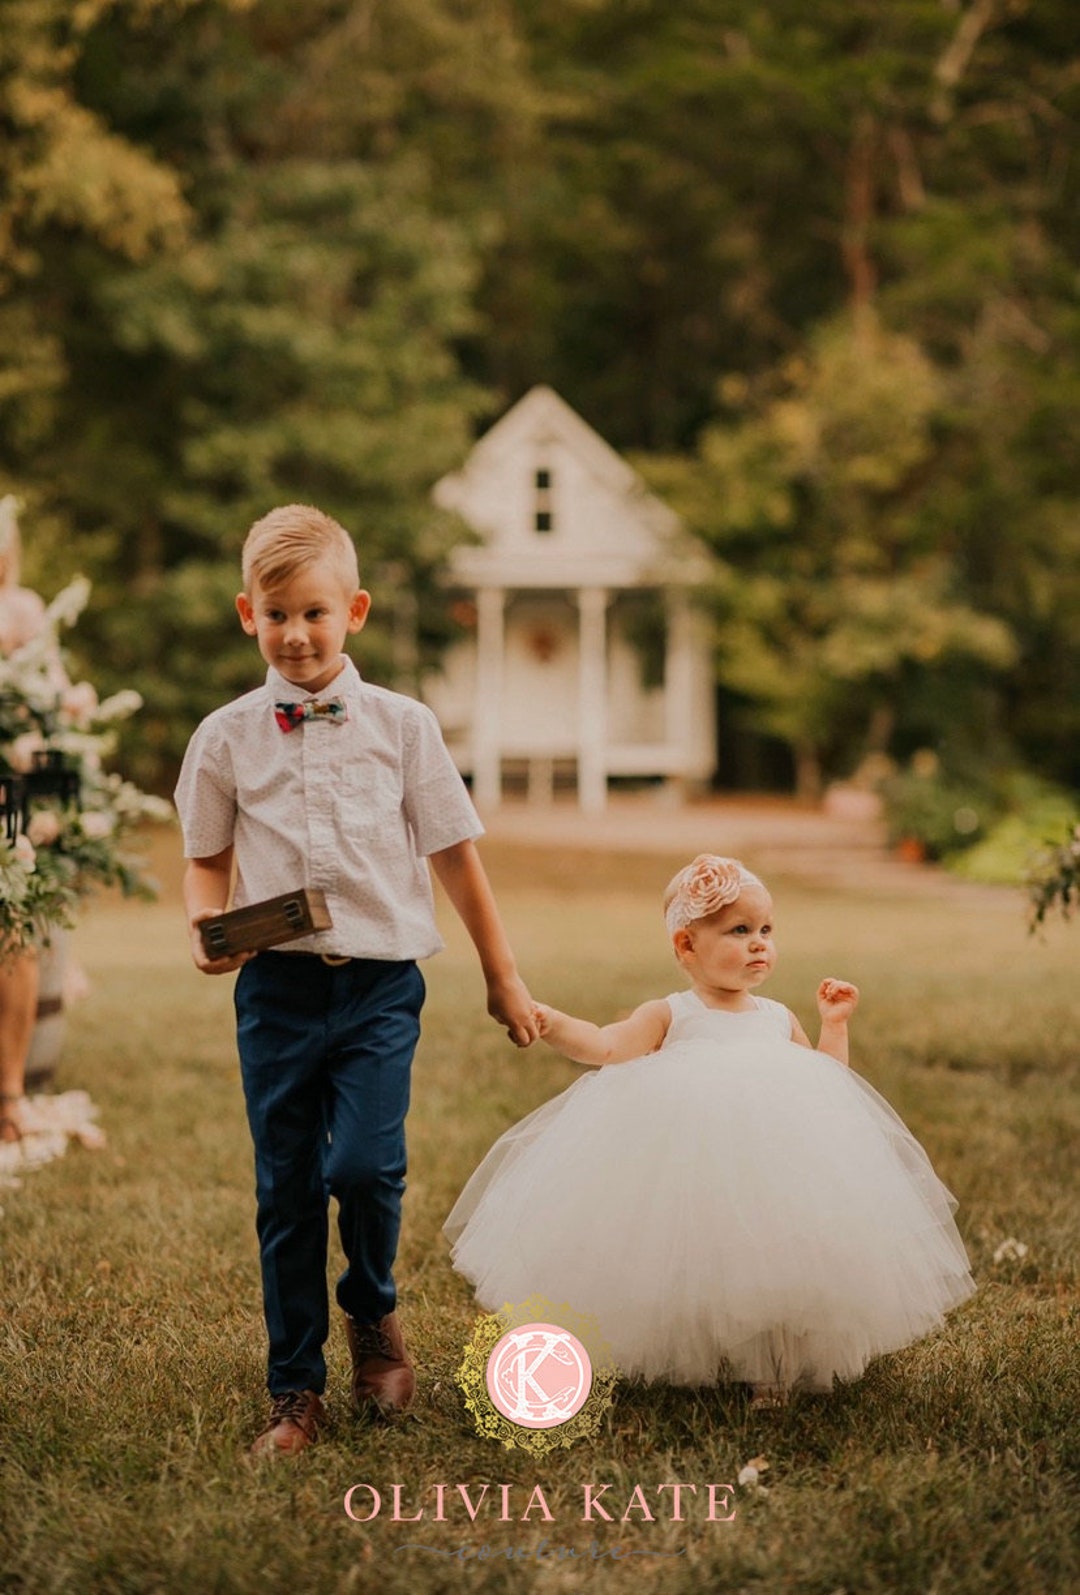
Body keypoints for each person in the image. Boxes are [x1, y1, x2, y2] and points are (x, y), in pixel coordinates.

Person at [174, 503, 537, 1460]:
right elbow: (206, 860)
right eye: (276, 613)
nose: (296, 633)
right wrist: (205, 924)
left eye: (315, 612)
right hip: (277, 994)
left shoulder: (405, 728)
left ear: (356, 611)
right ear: (246, 615)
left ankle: (372, 1308)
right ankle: (295, 1388)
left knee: (364, 1169)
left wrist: (501, 977)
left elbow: (456, 857)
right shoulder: (225, 737)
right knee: (287, 1186)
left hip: (380, 988)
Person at [445, 853, 975, 1405]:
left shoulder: (777, 1017)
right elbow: (606, 1046)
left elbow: (827, 1085)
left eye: (766, 930)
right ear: (686, 945)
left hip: (778, 1176)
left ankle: (774, 1367)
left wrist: (834, 1026)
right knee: (700, 1259)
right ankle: (695, 1347)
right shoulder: (670, 1013)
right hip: (694, 1169)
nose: (759, 944)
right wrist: (553, 1023)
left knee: (779, 1257)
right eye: (739, 931)